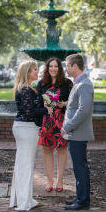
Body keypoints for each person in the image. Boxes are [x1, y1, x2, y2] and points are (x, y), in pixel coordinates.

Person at [9, 60, 53, 211]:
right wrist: (46, 111)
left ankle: (24, 198)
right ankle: (24, 202)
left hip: (26, 128)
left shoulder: (26, 88)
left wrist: (43, 106)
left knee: (24, 164)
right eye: (35, 69)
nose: (37, 72)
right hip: (26, 129)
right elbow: (29, 112)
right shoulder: (26, 89)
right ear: (28, 72)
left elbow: (29, 108)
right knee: (26, 164)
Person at [60, 54, 94, 211]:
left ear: (75, 66)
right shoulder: (79, 83)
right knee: (78, 166)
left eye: (67, 65)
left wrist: (67, 127)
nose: (65, 68)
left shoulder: (84, 84)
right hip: (75, 134)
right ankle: (81, 196)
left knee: (80, 167)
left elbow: (83, 110)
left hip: (78, 134)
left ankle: (83, 201)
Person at [36, 57, 73, 192]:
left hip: (62, 121)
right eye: (50, 66)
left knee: (62, 149)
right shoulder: (41, 84)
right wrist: (42, 104)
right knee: (47, 150)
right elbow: (35, 102)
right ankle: (49, 179)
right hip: (46, 121)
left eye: (56, 66)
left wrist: (64, 104)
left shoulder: (67, 83)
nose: (53, 69)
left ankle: (60, 179)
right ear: (47, 68)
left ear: (60, 68)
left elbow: (74, 102)